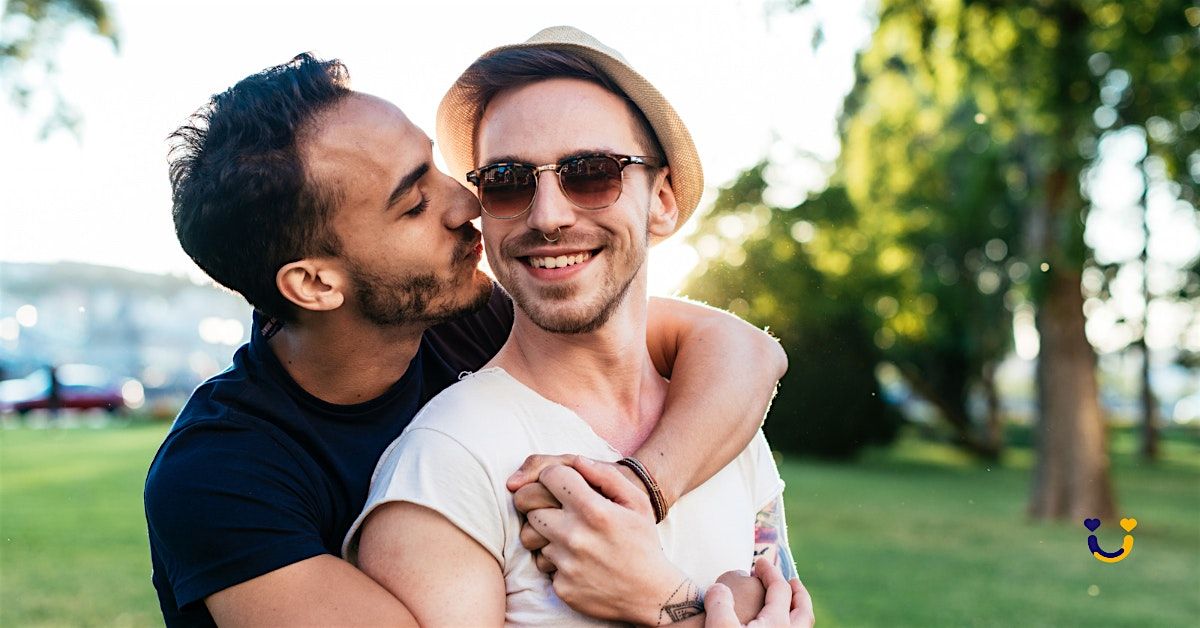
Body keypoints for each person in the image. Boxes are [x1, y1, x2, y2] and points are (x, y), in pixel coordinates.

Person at [143, 51, 789, 627]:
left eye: (436, 167)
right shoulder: (219, 475)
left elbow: (748, 353)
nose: (467, 201)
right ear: (314, 283)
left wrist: (638, 492)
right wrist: (674, 607)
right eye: (414, 202)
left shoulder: (469, 310)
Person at [347, 27, 810, 626]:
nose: (548, 216)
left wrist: (668, 605)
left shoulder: (725, 425)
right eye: (507, 182)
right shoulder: (446, 463)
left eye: (592, 173)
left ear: (662, 200)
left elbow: (782, 603)